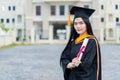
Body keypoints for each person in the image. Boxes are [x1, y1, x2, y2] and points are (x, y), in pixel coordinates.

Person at [60, 6, 101, 80]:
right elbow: (64, 57)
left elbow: (87, 63)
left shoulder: (91, 41)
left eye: (81, 23)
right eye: (75, 23)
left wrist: (77, 63)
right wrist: (70, 64)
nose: (78, 26)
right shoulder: (73, 42)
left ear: (87, 24)